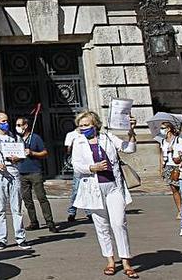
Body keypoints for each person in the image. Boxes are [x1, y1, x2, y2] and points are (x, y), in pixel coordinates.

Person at [70, 110, 139, 278]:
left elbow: (129, 149)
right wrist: (92, 168)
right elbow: (76, 165)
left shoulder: (108, 137)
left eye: (86, 125)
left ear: (95, 124)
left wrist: (131, 132)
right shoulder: (78, 141)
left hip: (113, 186)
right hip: (93, 188)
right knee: (102, 227)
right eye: (81, 126)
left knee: (119, 223)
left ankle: (126, 261)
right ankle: (109, 260)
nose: (83, 128)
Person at [0, 110, 27, 249]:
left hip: (13, 172)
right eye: (3, 121)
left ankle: (20, 238)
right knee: (0, 209)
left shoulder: (15, 137)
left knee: (17, 207)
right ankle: (2, 239)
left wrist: (17, 158)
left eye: (7, 121)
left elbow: (22, 155)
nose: (6, 124)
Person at [15, 116, 57, 232]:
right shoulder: (16, 139)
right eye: (17, 125)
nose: (17, 128)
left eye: (19, 125)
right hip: (21, 172)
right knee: (27, 199)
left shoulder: (35, 138)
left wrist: (32, 152)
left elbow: (44, 153)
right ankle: (34, 222)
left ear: (25, 126)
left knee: (41, 197)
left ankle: (50, 222)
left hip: (35, 172)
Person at [156, 121, 182, 219]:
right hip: (168, 166)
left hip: (178, 166)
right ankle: (180, 210)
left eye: (163, 128)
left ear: (169, 129)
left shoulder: (178, 140)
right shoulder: (163, 141)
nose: (161, 130)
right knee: (174, 189)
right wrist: (160, 168)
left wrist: (174, 150)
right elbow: (161, 155)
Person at [64, 128, 89, 222]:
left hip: (88, 165)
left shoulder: (88, 134)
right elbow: (68, 151)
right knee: (76, 190)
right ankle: (72, 212)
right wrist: (72, 145)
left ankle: (89, 212)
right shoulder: (71, 135)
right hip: (78, 166)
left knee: (87, 190)